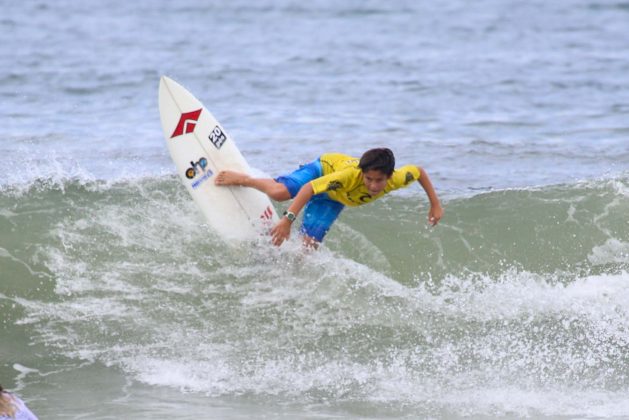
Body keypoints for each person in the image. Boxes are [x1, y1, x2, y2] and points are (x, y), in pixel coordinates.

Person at [215, 148, 443, 247]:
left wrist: (435, 204)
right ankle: (246, 179)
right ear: (362, 174)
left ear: (389, 176)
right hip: (322, 171)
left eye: (379, 181)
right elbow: (309, 189)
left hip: (334, 199)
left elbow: (420, 171)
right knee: (279, 193)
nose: (373, 186)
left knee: (307, 249)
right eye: (369, 179)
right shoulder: (348, 177)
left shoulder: (398, 178)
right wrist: (287, 220)